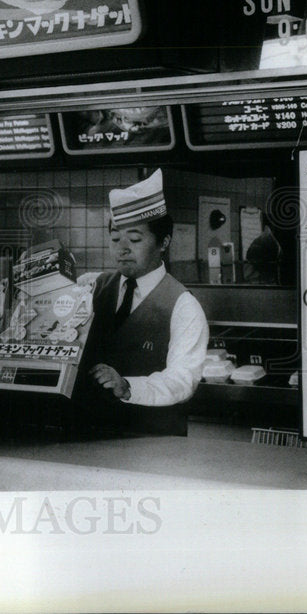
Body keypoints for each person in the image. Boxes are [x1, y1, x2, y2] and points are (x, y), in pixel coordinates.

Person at [76, 169, 208, 436]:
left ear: (164, 242)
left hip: (154, 442)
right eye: (115, 239)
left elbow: (182, 379)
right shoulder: (92, 287)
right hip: (89, 435)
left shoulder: (183, 305)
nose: (121, 248)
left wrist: (127, 386)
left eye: (134, 239)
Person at [244, 211, 282, 284]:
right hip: (266, 279)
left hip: (260, 279)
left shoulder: (260, 240)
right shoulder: (269, 240)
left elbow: (249, 256)